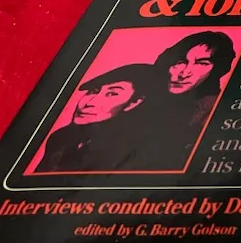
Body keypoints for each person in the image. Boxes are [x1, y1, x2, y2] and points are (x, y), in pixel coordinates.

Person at [130, 30, 238, 171]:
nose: (184, 73)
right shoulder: (143, 99)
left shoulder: (213, 110)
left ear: (217, 69)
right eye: (180, 62)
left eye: (202, 63)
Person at [31, 63, 160, 174]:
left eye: (112, 94)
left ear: (134, 103)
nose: (90, 102)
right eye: (93, 91)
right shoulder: (61, 138)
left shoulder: (133, 149)